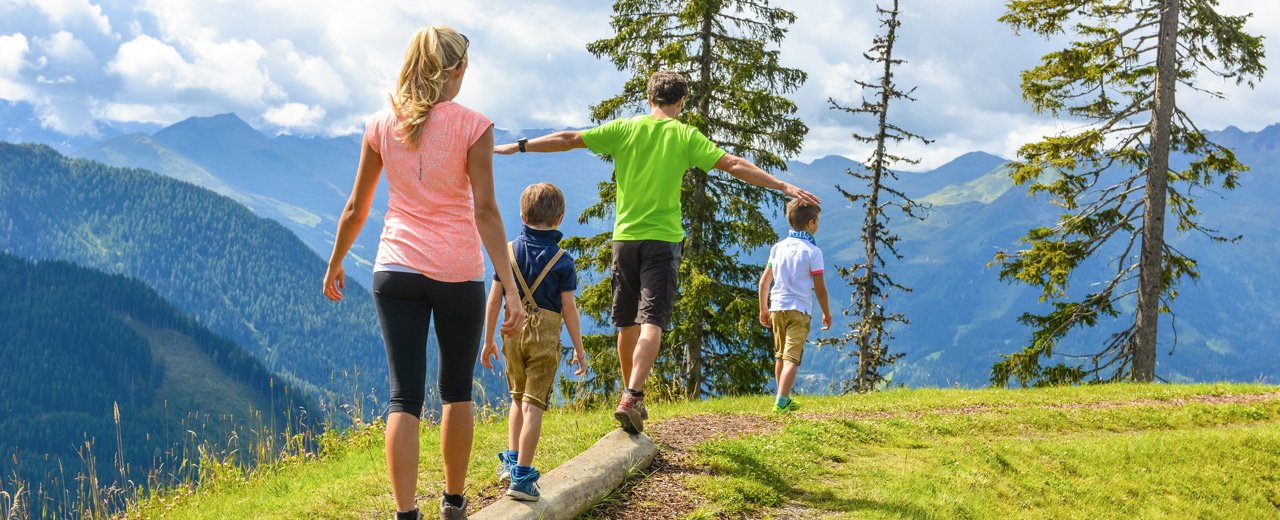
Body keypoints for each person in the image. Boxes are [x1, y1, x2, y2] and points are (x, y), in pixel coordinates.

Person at [495, 70, 820, 434]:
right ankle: (633, 395)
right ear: (681, 102)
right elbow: (732, 163)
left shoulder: (626, 129)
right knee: (652, 322)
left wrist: (520, 146)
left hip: (625, 239)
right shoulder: (684, 135)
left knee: (626, 322)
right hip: (662, 242)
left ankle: (628, 393)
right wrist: (782, 185)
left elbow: (570, 139)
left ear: (649, 99)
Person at [323, 25, 526, 520]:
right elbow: (486, 212)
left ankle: (406, 514)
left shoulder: (380, 124)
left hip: (394, 269)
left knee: (403, 396)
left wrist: (336, 261)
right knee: (455, 390)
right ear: (455, 71)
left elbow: (355, 207)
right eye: (464, 68)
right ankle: (454, 505)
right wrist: (513, 290)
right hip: (456, 272)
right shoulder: (473, 126)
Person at [479, 182, 588, 502]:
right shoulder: (563, 261)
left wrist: (487, 340)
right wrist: (579, 350)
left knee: (516, 399)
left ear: (522, 214)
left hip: (512, 336)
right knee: (533, 405)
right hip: (544, 342)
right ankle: (522, 479)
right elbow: (569, 309)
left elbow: (494, 300)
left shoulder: (507, 253)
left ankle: (512, 463)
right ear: (560, 219)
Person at [757, 199, 831, 413]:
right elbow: (819, 287)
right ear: (810, 224)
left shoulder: (778, 248)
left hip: (777, 307)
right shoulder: (812, 252)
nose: (818, 225)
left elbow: (764, 282)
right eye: (817, 221)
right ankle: (781, 401)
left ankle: (783, 398)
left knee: (780, 356)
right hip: (799, 310)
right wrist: (826, 312)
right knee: (792, 358)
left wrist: (764, 308)